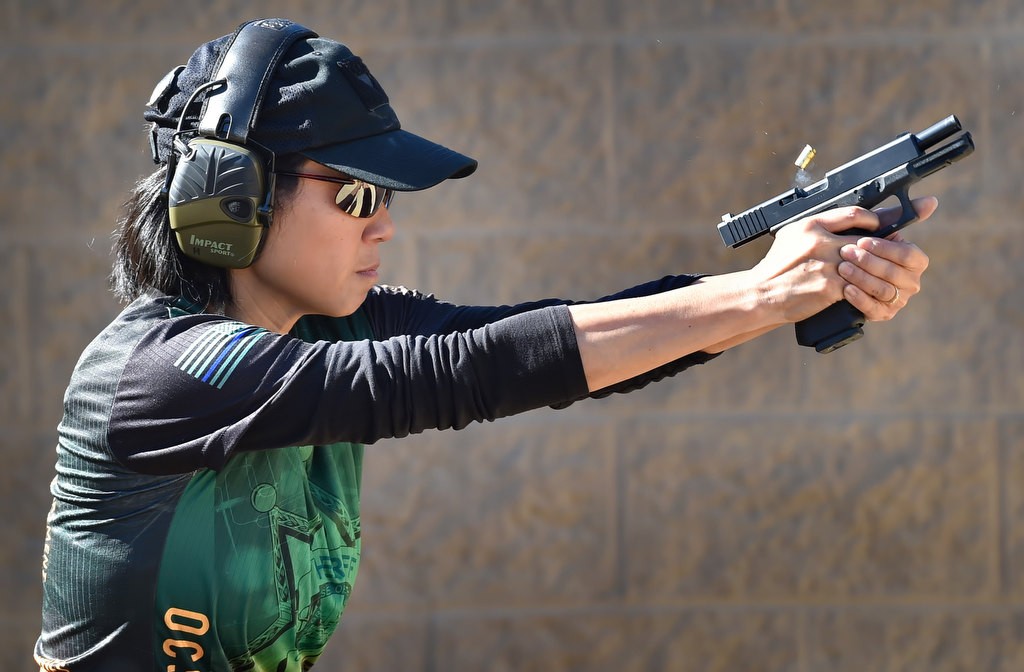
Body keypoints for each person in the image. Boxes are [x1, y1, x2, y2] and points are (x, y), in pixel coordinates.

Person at [34, 17, 936, 672]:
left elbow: (534, 346)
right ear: (230, 193)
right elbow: (465, 374)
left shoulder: (335, 331)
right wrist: (761, 291)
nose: (381, 225)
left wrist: (778, 295)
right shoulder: (156, 371)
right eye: (354, 194)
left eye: (388, 199)